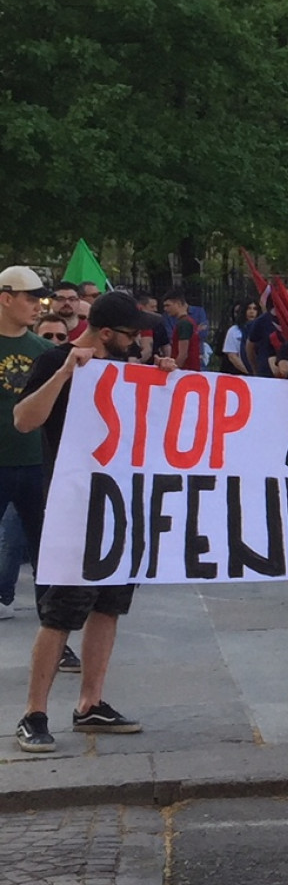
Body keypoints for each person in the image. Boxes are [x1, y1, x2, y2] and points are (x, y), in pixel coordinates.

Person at [11, 290, 159, 753]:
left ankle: (90, 702)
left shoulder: (126, 369)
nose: (138, 342)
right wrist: (65, 371)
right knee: (60, 614)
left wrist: (166, 381)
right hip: (76, 507)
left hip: (120, 505)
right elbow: (24, 420)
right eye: (131, 334)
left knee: (109, 606)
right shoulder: (58, 361)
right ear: (107, 333)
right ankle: (34, 712)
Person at [0, 268, 56, 626]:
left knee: (46, 554)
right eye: (30, 298)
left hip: (37, 463)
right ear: (6, 298)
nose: (38, 306)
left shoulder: (45, 350)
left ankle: (55, 632)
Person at [160, 289, 203, 371]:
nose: (165, 309)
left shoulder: (184, 324)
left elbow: (183, 354)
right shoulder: (189, 321)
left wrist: (174, 369)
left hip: (185, 371)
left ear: (178, 304)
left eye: (168, 305)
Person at [223, 300, 258, 374]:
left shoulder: (262, 329)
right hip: (238, 373)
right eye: (249, 308)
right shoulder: (234, 330)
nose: (252, 312)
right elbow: (232, 356)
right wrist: (249, 372)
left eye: (255, 309)